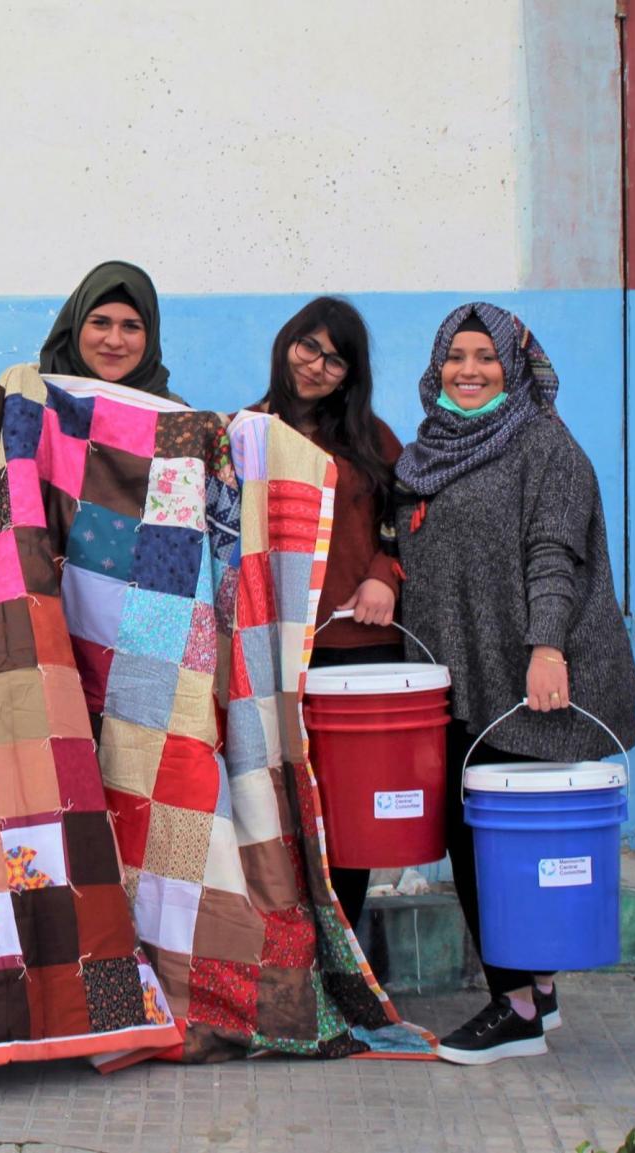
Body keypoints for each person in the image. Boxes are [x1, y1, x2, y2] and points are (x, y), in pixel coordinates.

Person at [392, 302, 635, 1065]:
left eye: (486, 357)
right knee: (489, 836)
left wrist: (547, 649)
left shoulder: (543, 444)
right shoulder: (427, 449)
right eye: (456, 356)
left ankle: (516, 1008)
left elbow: (552, 555)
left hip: (530, 671)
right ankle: (537, 988)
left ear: (516, 364)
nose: (470, 371)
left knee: (486, 842)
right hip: (469, 673)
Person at [251, 296, 403, 934]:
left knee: (345, 811)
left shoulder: (373, 440)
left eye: (335, 359)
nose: (316, 366)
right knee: (275, 809)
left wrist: (383, 576)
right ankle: (291, 959)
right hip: (270, 652)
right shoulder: (247, 431)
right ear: (287, 344)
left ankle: (346, 957)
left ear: (352, 373)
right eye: (307, 347)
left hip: (356, 647)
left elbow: (409, 527)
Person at [39, 260, 184, 401]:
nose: (114, 341)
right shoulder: (28, 397)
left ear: (150, 337)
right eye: (100, 323)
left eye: (131, 326)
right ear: (76, 327)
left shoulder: (177, 417)